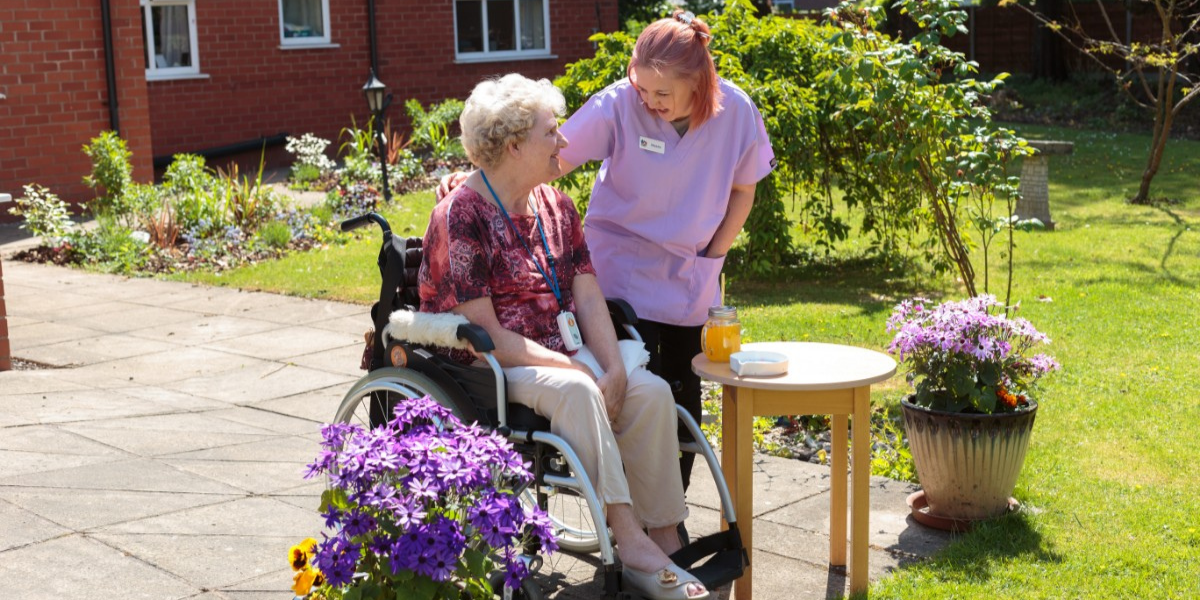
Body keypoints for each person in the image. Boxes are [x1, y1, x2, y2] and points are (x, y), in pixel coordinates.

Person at [419, 73, 710, 600]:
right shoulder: (461, 215)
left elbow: (588, 292)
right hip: (489, 364)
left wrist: (613, 367)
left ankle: (664, 535)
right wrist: (578, 369)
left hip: (556, 352)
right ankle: (629, 541)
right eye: (551, 132)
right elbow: (488, 336)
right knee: (579, 390)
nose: (564, 142)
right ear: (512, 146)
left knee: (651, 393)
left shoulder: (556, 205)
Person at [556, 10, 776, 493]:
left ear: (698, 83)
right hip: (620, 270)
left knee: (683, 394)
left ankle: (668, 514)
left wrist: (713, 254)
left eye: (662, 94)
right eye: (642, 90)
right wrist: (483, 183)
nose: (650, 103)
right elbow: (554, 156)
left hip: (688, 274)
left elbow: (743, 190)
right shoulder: (618, 104)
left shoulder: (735, 111)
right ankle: (627, 512)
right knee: (636, 392)